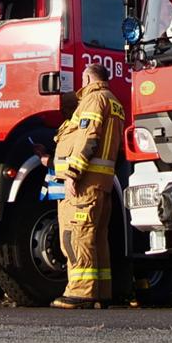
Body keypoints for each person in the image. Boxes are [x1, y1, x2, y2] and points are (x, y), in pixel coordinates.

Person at [49, 63, 123, 309]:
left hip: (84, 183)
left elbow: (88, 138)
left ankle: (80, 293)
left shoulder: (93, 101)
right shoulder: (114, 102)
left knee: (76, 237)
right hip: (101, 184)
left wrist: (72, 173)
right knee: (96, 238)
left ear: (88, 77)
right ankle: (100, 292)